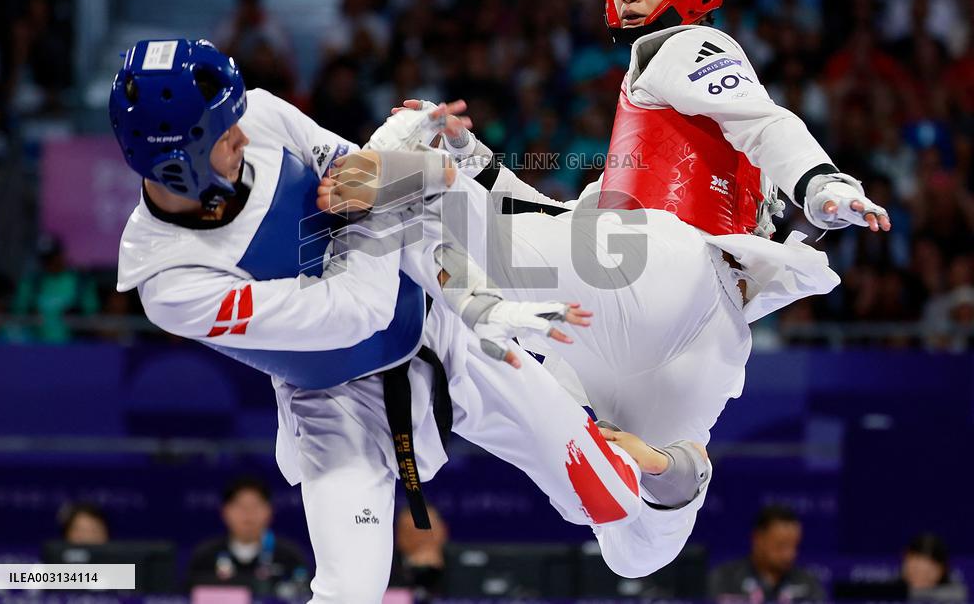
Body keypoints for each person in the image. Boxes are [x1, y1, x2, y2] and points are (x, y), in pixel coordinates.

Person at [371, 0, 891, 578]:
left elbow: (768, 122)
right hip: (690, 335)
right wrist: (480, 162)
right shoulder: (662, 159)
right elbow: (556, 224)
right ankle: (670, 468)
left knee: (416, 216)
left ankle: (325, 179)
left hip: (653, 271)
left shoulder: (684, 46)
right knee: (639, 547)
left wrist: (823, 183)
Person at [110, 38, 708, 602]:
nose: (241, 133)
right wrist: (406, 181)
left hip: (438, 325)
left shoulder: (261, 116)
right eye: (221, 134)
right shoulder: (172, 282)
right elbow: (353, 313)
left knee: (606, 502)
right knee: (352, 591)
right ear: (176, 163)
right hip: (337, 406)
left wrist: (403, 164)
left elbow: (357, 170)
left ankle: (664, 465)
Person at [188, 476, 309, 595]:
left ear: (269, 511)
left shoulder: (290, 557)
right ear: (225, 512)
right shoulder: (204, 558)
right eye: (240, 506)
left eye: (255, 505)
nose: (248, 513)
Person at [707, 505, 825, 603]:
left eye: (794, 546)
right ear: (758, 539)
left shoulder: (809, 584)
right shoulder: (723, 580)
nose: (789, 554)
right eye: (781, 546)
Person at [900, 533, 968, 603]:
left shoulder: (955, 592)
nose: (920, 576)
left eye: (927, 572)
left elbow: (959, 594)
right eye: (915, 570)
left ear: (943, 570)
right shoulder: (892, 583)